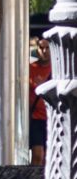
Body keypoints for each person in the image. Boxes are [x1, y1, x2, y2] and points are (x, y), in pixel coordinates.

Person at [31, 36, 51, 166]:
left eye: (47, 47)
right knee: (38, 155)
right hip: (36, 118)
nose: (44, 50)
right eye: (41, 47)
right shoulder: (30, 68)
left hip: (51, 117)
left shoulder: (57, 68)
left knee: (50, 155)